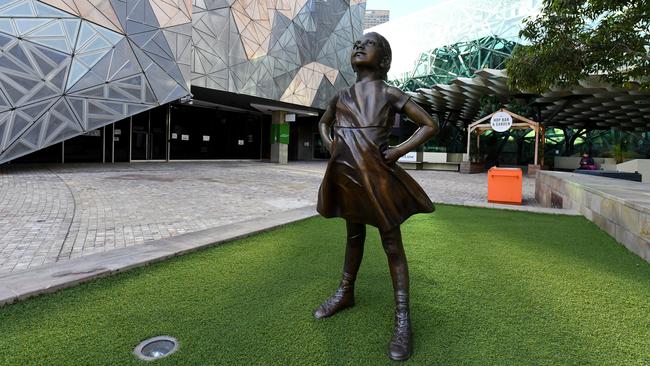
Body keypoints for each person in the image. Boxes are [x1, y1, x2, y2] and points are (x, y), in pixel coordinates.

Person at [314, 32, 439, 362]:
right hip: (346, 175)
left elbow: (429, 124)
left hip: (376, 178)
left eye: (367, 45)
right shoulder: (341, 95)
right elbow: (323, 124)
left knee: (392, 244)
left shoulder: (389, 92)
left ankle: (403, 319)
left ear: (383, 60)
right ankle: (345, 292)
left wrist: (398, 150)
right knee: (353, 236)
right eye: (356, 44)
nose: (358, 46)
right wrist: (331, 145)